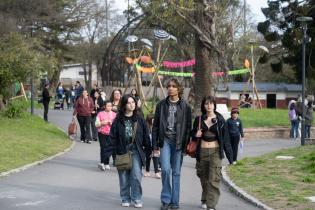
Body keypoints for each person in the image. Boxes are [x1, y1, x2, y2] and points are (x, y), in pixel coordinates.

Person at [152, 78, 192, 210]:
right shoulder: (161, 105)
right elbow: (156, 126)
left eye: (173, 86)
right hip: (165, 141)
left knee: (176, 172)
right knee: (165, 169)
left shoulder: (185, 106)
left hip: (179, 143)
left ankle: (175, 202)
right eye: (168, 86)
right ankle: (165, 200)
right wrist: (154, 145)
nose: (170, 88)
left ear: (178, 89)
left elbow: (188, 128)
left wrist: (186, 145)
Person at [191, 95, 233, 210]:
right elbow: (192, 136)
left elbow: (226, 139)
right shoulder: (199, 120)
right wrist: (196, 134)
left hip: (215, 152)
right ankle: (204, 199)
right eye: (206, 103)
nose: (208, 106)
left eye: (211, 103)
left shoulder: (220, 120)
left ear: (214, 105)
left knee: (214, 179)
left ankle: (211, 206)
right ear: (203, 106)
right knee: (204, 179)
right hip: (202, 152)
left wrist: (231, 159)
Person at [109, 94, 151, 208]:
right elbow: (112, 137)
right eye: (129, 102)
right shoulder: (118, 120)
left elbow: (146, 137)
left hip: (136, 151)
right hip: (122, 150)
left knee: (136, 176)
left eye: (133, 102)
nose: (132, 104)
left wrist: (149, 150)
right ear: (124, 104)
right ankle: (125, 198)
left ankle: (137, 198)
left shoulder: (140, 119)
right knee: (123, 177)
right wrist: (114, 152)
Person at [95, 100, 117, 171]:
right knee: (103, 147)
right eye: (108, 106)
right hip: (102, 133)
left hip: (111, 134)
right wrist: (102, 123)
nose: (109, 107)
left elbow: (117, 125)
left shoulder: (114, 114)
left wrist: (112, 124)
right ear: (104, 106)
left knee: (109, 148)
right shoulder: (100, 114)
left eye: (111, 106)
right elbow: (96, 124)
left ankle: (107, 163)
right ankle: (102, 163)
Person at [143, 114, 161, 179]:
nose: (154, 120)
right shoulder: (146, 127)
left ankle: (157, 172)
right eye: (153, 119)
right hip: (148, 146)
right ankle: (147, 171)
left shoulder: (156, 127)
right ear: (149, 120)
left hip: (155, 145)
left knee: (156, 158)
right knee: (148, 159)